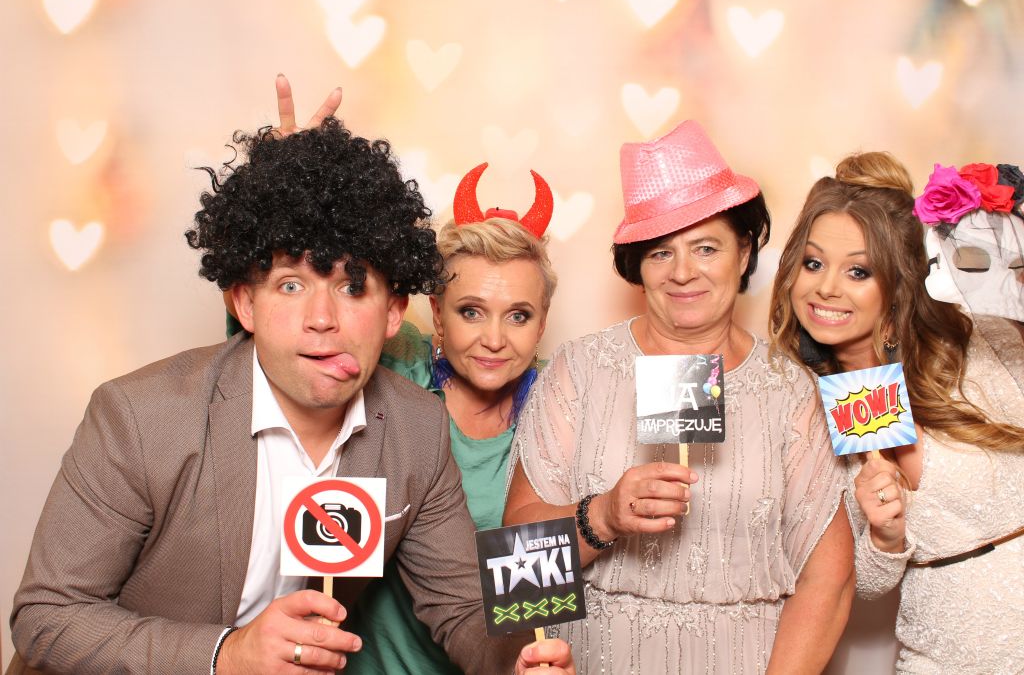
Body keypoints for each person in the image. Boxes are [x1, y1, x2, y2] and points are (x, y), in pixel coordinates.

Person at [8, 116, 573, 675]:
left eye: (353, 287)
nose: (322, 319)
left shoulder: (417, 429)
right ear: (245, 304)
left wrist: (518, 660)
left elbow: (463, 610)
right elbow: (46, 615)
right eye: (291, 284)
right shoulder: (141, 418)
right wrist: (227, 655)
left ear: (394, 312)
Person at [503, 120, 854, 674]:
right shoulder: (582, 368)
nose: (683, 272)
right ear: (638, 267)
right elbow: (518, 565)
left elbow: (827, 579)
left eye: (706, 248)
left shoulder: (789, 390)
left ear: (744, 252)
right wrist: (604, 516)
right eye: (661, 253)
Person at [768, 151, 1024, 672]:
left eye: (858, 270)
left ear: (899, 281)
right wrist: (886, 537)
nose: (826, 287)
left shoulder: (983, 342)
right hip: (939, 658)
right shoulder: (807, 405)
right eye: (813, 263)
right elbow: (859, 585)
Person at [344, 163, 559, 674]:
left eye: (518, 315)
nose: (494, 339)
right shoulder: (394, 362)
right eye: (471, 311)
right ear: (437, 314)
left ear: (542, 324)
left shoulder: (561, 404)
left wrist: (526, 661)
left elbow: (539, 572)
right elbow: (288, 336)